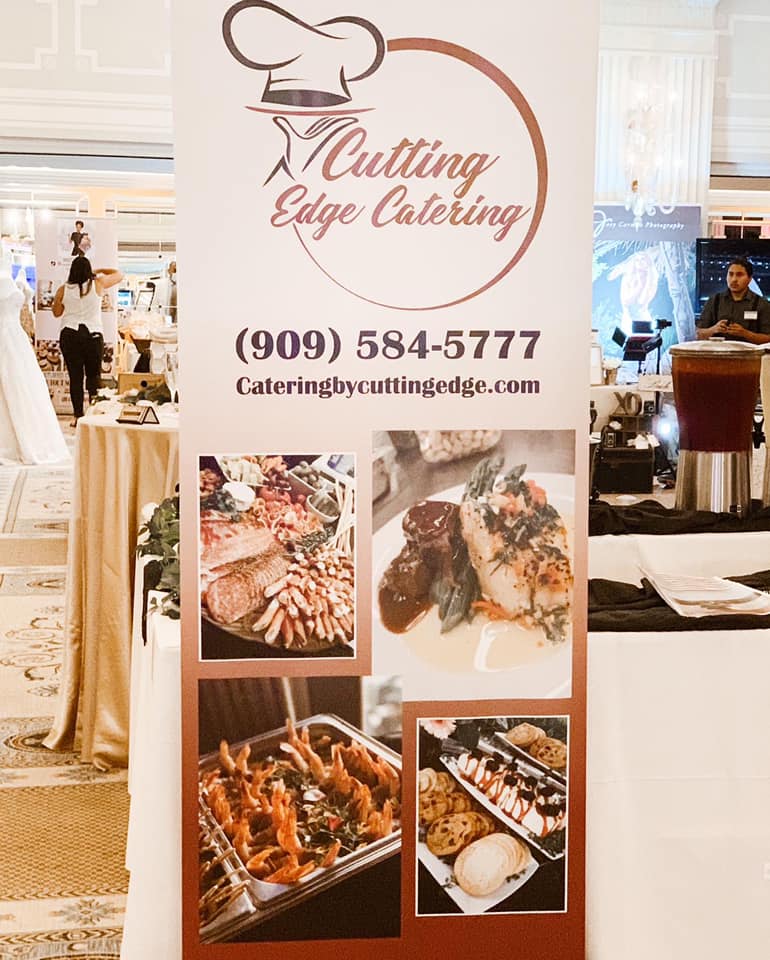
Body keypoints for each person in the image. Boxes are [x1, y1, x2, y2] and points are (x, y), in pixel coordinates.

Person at [0, 252, 69, 464]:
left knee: (21, 385)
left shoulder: (9, 271)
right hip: (6, 336)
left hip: (15, 338)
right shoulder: (5, 279)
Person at [52, 257, 123, 425]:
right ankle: (93, 415)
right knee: (94, 376)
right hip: (93, 335)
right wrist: (99, 270)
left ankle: (78, 416)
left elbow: (56, 313)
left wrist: (62, 302)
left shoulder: (63, 289)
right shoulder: (98, 283)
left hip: (70, 334)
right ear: (88, 270)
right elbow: (119, 275)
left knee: (75, 377)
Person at [696, 256, 770, 345]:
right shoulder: (714, 301)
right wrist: (713, 329)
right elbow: (698, 334)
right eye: (730, 274)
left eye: (739, 275)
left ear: (750, 279)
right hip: (717, 352)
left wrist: (746, 334)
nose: (734, 279)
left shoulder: (762, 304)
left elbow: (768, 339)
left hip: (749, 353)